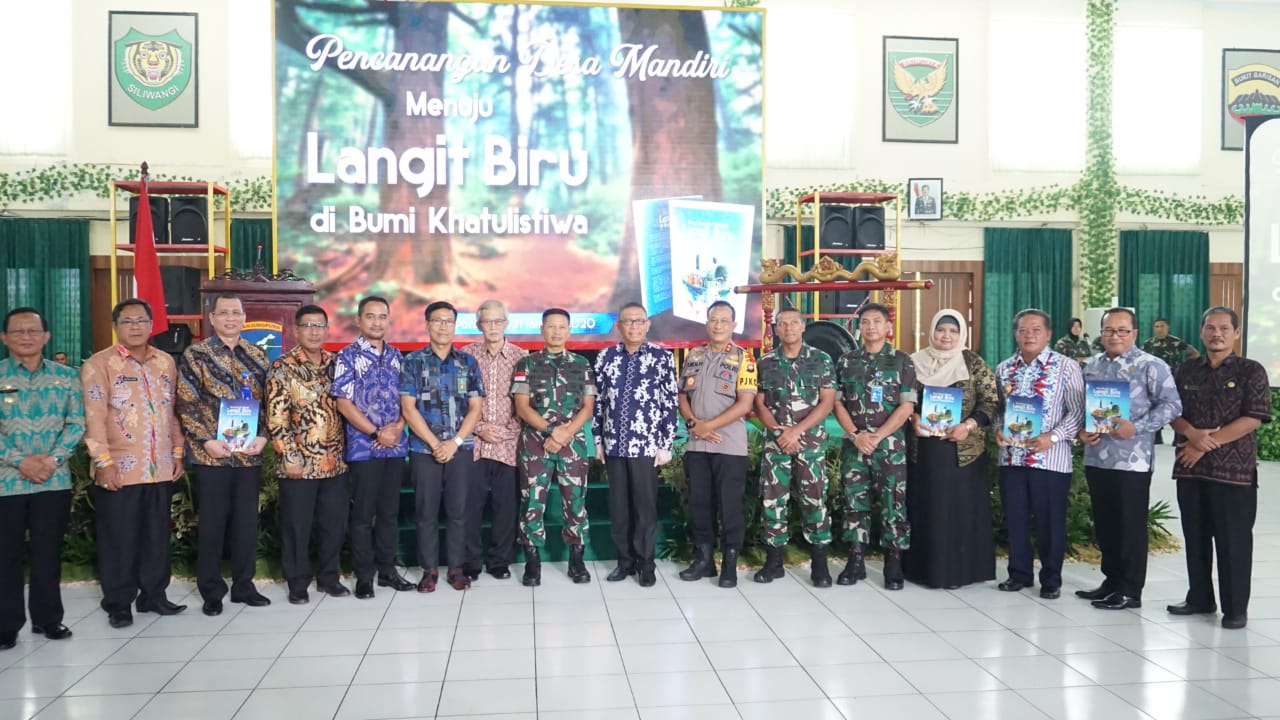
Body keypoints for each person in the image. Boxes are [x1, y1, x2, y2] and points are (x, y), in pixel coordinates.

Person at [82, 299, 186, 628]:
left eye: (142, 320)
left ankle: (154, 595)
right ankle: (118, 602)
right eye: (128, 321)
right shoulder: (101, 364)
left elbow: (172, 411)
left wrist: (178, 452)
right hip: (120, 468)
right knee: (120, 538)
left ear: (152, 324)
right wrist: (103, 461)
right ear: (116, 326)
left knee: (156, 536)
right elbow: (94, 418)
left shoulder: (165, 362)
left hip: (159, 466)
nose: (136, 327)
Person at [1167, 306, 1270, 629]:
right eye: (1211, 328)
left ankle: (1235, 608)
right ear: (1201, 331)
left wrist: (1204, 443)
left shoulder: (1250, 371)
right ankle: (1200, 598)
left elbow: (1253, 417)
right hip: (1191, 470)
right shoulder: (1186, 370)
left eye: (1225, 328)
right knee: (1195, 537)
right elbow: (1172, 411)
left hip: (1233, 473)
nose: (1217, 333)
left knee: (1233, 541)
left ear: (1236, 333)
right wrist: (1191, 434)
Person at [1076, 308, 1181, 610]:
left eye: (1122, 330)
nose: (1115, 336)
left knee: (1130, 525)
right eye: (1109, 330)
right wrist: (1082, 431)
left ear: (1134, 333)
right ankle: (1111, 581)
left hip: (1132, 459)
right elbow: (1080, 406)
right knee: (1106, 522)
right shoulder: (1091, 365)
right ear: (1101, 332)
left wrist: (1138, 426)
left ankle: (1131, 589)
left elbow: (1173, 405)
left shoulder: (1152, 365)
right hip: (1097, 457)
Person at [177, 293, 272, 616]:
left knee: (247, 523)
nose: (230, 318)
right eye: (224, 313)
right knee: (213, 524)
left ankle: (244, 586)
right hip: (212, 456)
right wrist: (205, 440)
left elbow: (272, 404)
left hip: (248, 455)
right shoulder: (196, 355)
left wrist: (264, 436)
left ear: (244, 318)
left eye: (236, 312)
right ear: (212, 318)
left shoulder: (258, 356)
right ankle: (212, 591)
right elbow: (186, 403)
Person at [0, 308, 84, 651]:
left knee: (48, 552)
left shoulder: (66, 377)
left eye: (33, 330)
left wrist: (51, 460)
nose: (25, 336)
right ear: (4, 338)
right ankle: (6, 625)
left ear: (46, 337)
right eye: (17, 331)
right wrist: (22, 462)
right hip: (7, 481)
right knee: (6, 555)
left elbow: (76, 423)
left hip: (53, 479)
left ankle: (48, 619)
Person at [904, 310, 999, 589]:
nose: (946, 336)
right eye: (941, 330)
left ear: (962, 335)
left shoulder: (972, 362)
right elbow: (902, 399)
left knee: (958, 510)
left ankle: (960, 572)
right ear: (931, 331)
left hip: (963, 452)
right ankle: (922, 570)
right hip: (923, 449)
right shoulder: (913, 362)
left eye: (953, 331)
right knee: (927, 508)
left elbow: (991, 402)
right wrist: (913, 418)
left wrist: (968, 426)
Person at [994, 308, 1084, 599]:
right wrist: (997, 429)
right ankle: (1019, 573)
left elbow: (1079, 411)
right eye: (1023, 330)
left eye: (1036, 330)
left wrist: (1053, 436)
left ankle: (1051, 578)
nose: (1029, 335)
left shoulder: (1066, 367)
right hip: (1012, 457)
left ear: (1048, 334)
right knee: (1016, 518)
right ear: (1015, 333)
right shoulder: (1004, 368)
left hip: (1051, 459)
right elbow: (998, 410)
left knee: (1050, 521)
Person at [266, 304, 351, 605]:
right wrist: (289, 456)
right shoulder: (283, 367)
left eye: (320, 326)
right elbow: (276, 417)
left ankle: (329, 577)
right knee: (297, 527)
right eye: (308, 326)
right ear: (296, 330)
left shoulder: (337, 363)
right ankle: (297, 583)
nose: (314, 332)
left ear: (327, 330)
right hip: (299, 465)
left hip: (335, 463)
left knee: (333, 525)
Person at [332, 296, 414, 599]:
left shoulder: (397, 356)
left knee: (390, 513)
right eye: (370, 316)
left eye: (382, 317)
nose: (377, 322)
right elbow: (343, 402)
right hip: (364, 447)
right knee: (363, 515)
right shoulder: (347, 356)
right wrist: (377, 431)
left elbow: (409, 399)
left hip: (395, 447)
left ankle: (388, 571)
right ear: (358, 320)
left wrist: (398, 426)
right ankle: (364, 576)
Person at [401, 301, 484, 592]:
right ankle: (430, 570)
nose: (443, 326)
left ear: (455, 325)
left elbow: (476, 407)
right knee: (426, 512)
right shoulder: (412, 362)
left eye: (449, 321)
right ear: (427, 324)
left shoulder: (468, 362)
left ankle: (457, 568)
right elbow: (408, 409)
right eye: (437, 321)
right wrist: (437, 444)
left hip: (460, 449)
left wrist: (456, 441)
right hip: (425, 450)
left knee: (459, 510)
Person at [833, 303, 917, 590]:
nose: (871, 327)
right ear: (859, 328)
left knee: (893, 503)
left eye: (877, 322)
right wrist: (856, 435)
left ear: (888, 327)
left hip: (889, 445)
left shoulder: (902, 361)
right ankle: (855, 561)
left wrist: (878, 436)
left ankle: (893, 562)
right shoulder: (846, 361)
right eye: (865, 322)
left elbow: (906, 407)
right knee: (854, 502)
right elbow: (837, 403)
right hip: (855, 444)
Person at [594, 302, 678, 587]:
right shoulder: (606, 357)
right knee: (619, 507)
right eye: (627, 322)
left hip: (646, 446)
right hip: (614, 444)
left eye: (638, 321)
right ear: (618, 325)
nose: (633, 326)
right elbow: (599, 403)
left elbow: (669, 403)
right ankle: (624, 561)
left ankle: (646, 563)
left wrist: (665, 444)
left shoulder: (661, 357)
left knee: (645, 506)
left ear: (647, 324)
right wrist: (598, 441)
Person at [513, 308, 598, 586]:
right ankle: (532, 563)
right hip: (535, 444)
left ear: (569, 331)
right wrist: (551, 431)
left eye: (562, 327)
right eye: (551, 326)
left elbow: (587, 408)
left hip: (572, 444)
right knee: (531, 503)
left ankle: (576, 560)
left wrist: (565, 434)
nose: (557, 332)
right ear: (542, 329)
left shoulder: (582, 364)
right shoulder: (527, 364)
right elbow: (522, 407)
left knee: (576, 503)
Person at [755, 307, 838, 586]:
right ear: (776, 330)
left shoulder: (822, 359)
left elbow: (827, 402)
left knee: (814, 500)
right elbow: (759, 404)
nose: (788, 328)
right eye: (782, 324)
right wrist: (779, 432)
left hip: (809, 443)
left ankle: (819, 564)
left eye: (793, 323)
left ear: (803, 327)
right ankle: (774, 561)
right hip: (776, 443)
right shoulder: (765, 362)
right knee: (773, 500)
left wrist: (796, 431)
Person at [678, 300, 757, 588]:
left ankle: (730, 562)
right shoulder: (693, 355)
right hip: (697, 446)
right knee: (700, 504)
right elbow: (683, 396)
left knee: (730, 506)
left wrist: (708, 426)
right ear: (707, 322)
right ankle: (704, 560)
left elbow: (746, 403)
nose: (718, 325)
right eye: (713, 320)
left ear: (734, 325)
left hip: (729, 445)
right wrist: (693, 425)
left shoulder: (744, 359)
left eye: (724, 320)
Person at [459, 300, 527, 581]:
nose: (493, 327)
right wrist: (482, 428)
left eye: (498, 321)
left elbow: (528, 401)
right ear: (479, 326)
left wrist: (508, 430)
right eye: (487, 322)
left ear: (506, 324)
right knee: (470, 506)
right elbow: (460, 400)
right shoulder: (465, 356)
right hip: (475, 442)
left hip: (509, 443)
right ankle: (471, 562)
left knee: (506, 506)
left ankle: (500, 561)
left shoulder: (522, 357)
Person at [1142, 317, 1201, 444]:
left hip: (1173, 378)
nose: (1159, 329)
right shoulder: (1148, 343)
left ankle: (1177, 436)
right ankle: (1157, 436)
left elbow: (1194, 353)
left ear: (1167, 327)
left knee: (1175, 405)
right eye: (1156, 326)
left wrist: (1184, 366)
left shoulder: (1176, 342)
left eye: (1162, 326)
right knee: (1154, 405)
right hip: (1154, 379)